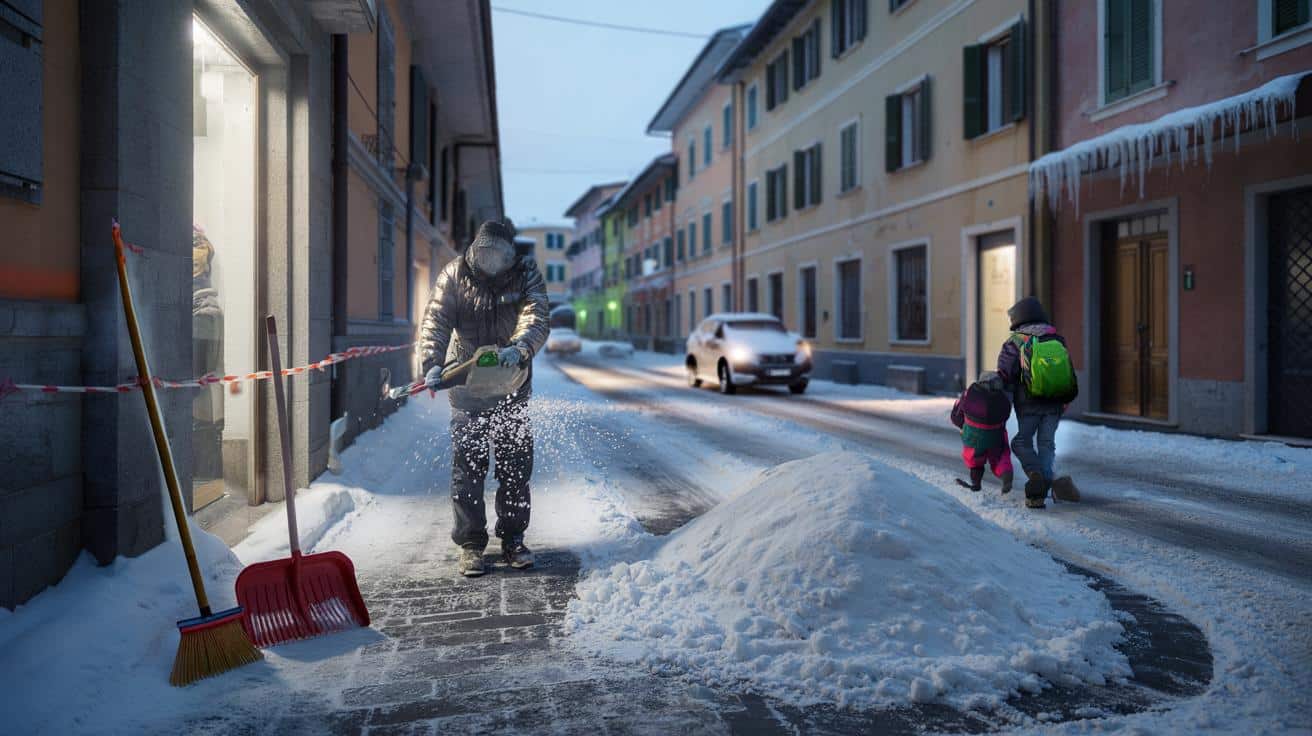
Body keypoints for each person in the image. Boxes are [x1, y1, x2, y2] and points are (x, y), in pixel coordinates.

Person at [419, 219, 549, 576]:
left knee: (515, 467)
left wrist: (521, 347)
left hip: (512, 383)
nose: (491, 263)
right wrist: (432, 363)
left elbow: (536, 316)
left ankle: (513, 539)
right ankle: (472, 545)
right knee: (468, 469)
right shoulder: (454, 273)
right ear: (475, 249)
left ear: (511, 254)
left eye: (500, 255)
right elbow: (436, 321)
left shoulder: (526, 274)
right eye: (485, 253)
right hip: (468, 387)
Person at [996, 296, 1080, 509]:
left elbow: (1005, 373)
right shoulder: (1056, 338)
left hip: (1028, 404)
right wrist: (1065, 399)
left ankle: (1036, 477)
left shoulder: (1015, 342)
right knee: (1047, 444)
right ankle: (1041, 487)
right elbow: (1067, 370)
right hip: (1055, 404)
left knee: (1021, 442)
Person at [950, 371, 1014, 493]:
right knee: (1000, 454)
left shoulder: (969, 392)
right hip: (995, 434)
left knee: (974, 457)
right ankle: (1006, 474)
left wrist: (964, 426)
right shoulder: (1002, 396)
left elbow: (955, 417)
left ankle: (976, 483)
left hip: (973, 433)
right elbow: (1006, 414)